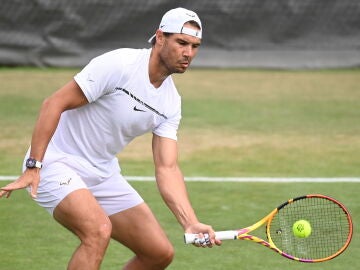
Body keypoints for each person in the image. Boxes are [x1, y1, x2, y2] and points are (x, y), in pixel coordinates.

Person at [0, 7, 221, 270]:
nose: (188, 53)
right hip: (55, 162)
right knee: (98, 232)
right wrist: (34, 165)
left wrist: (189, 222)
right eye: (181, 43)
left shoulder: (171, 103)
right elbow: (53, 104)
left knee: (158, 253)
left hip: (103, 173)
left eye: (195, 46)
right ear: (160, 37)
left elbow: (167, 167)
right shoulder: (120, 65)